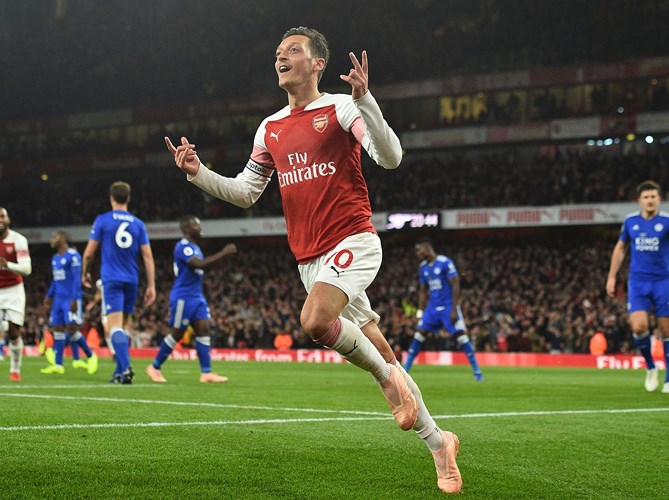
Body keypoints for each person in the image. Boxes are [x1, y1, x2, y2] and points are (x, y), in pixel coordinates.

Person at [165, 27, 462, 493]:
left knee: (316, 321)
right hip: (310, 260)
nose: (280, 57)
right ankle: (439, 442)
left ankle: (387, 382)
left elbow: (390, 157)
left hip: (354, 240)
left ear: (317, 63)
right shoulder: (270, 128)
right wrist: (198, 173)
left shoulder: (341, 108)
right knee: (383, 351)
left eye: (292, 50)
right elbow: (246, 192)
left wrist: (366, 101)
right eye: (277, 52)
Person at [146, 216, 237, 383]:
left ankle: (206, 373)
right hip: (184, 296)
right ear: (186, 229)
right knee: (177, 333)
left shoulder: (195, 248)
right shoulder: (183, 246)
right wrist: (224, 253)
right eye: (195, 225)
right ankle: (154, 367)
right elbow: (199, 264)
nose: (199, 227)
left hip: (197, 296)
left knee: (203, 330)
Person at [81, 181, 156, 384]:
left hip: (112, 280)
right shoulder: (138, 224)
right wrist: (151, 285)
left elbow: (88, 254)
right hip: (132, 280)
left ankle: (125, 367)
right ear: (128, 198)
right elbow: (148, 257)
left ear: (111, 198)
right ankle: (119, 372)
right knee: (123, 327)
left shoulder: (103, 220)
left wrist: (84, 274)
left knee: (114, 328)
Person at [606, 180, 669, 393]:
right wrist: (612, 277)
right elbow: (620, 248)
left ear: (659, 199)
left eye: (653, 196)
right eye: (646, 197)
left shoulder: (667, 222)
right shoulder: (630, 221)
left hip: (663, 281)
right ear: (639, 200)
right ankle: (651, 367)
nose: (650, 200)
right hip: (638, 281)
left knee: (666, 329)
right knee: (639, 327)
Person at [404, 238, 483, 381]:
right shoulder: (423, 267)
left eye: (419, 250)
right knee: (419, 334)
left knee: (461, 336)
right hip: (432, 308)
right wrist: (420, 312)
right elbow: (423, 290)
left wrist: (454, 308)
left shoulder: (445, 262)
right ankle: (405, 371)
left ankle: (477, 372)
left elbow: (456, 283)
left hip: (448, 307)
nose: (417, 254)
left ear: (427, 248)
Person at [40, 231, 99, 375]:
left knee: (72, 329)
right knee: (58, 329)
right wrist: (49, 296)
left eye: (54, 237)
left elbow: (76, 279)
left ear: (63, 239)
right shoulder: (55, 258)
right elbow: (56, 280)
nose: (51, 240)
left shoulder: (73, 256)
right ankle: (58, 365)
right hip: (58, 299)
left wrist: (75, 298)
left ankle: (91, 356)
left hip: (70, 298)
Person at [0, 207, 31, 381]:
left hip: (14, 290)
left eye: (2, 216)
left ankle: (15, 369)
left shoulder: (18, 240)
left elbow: (27, 269)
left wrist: (7, 265)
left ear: (8, 219)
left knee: (13, 332)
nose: (0, 220)